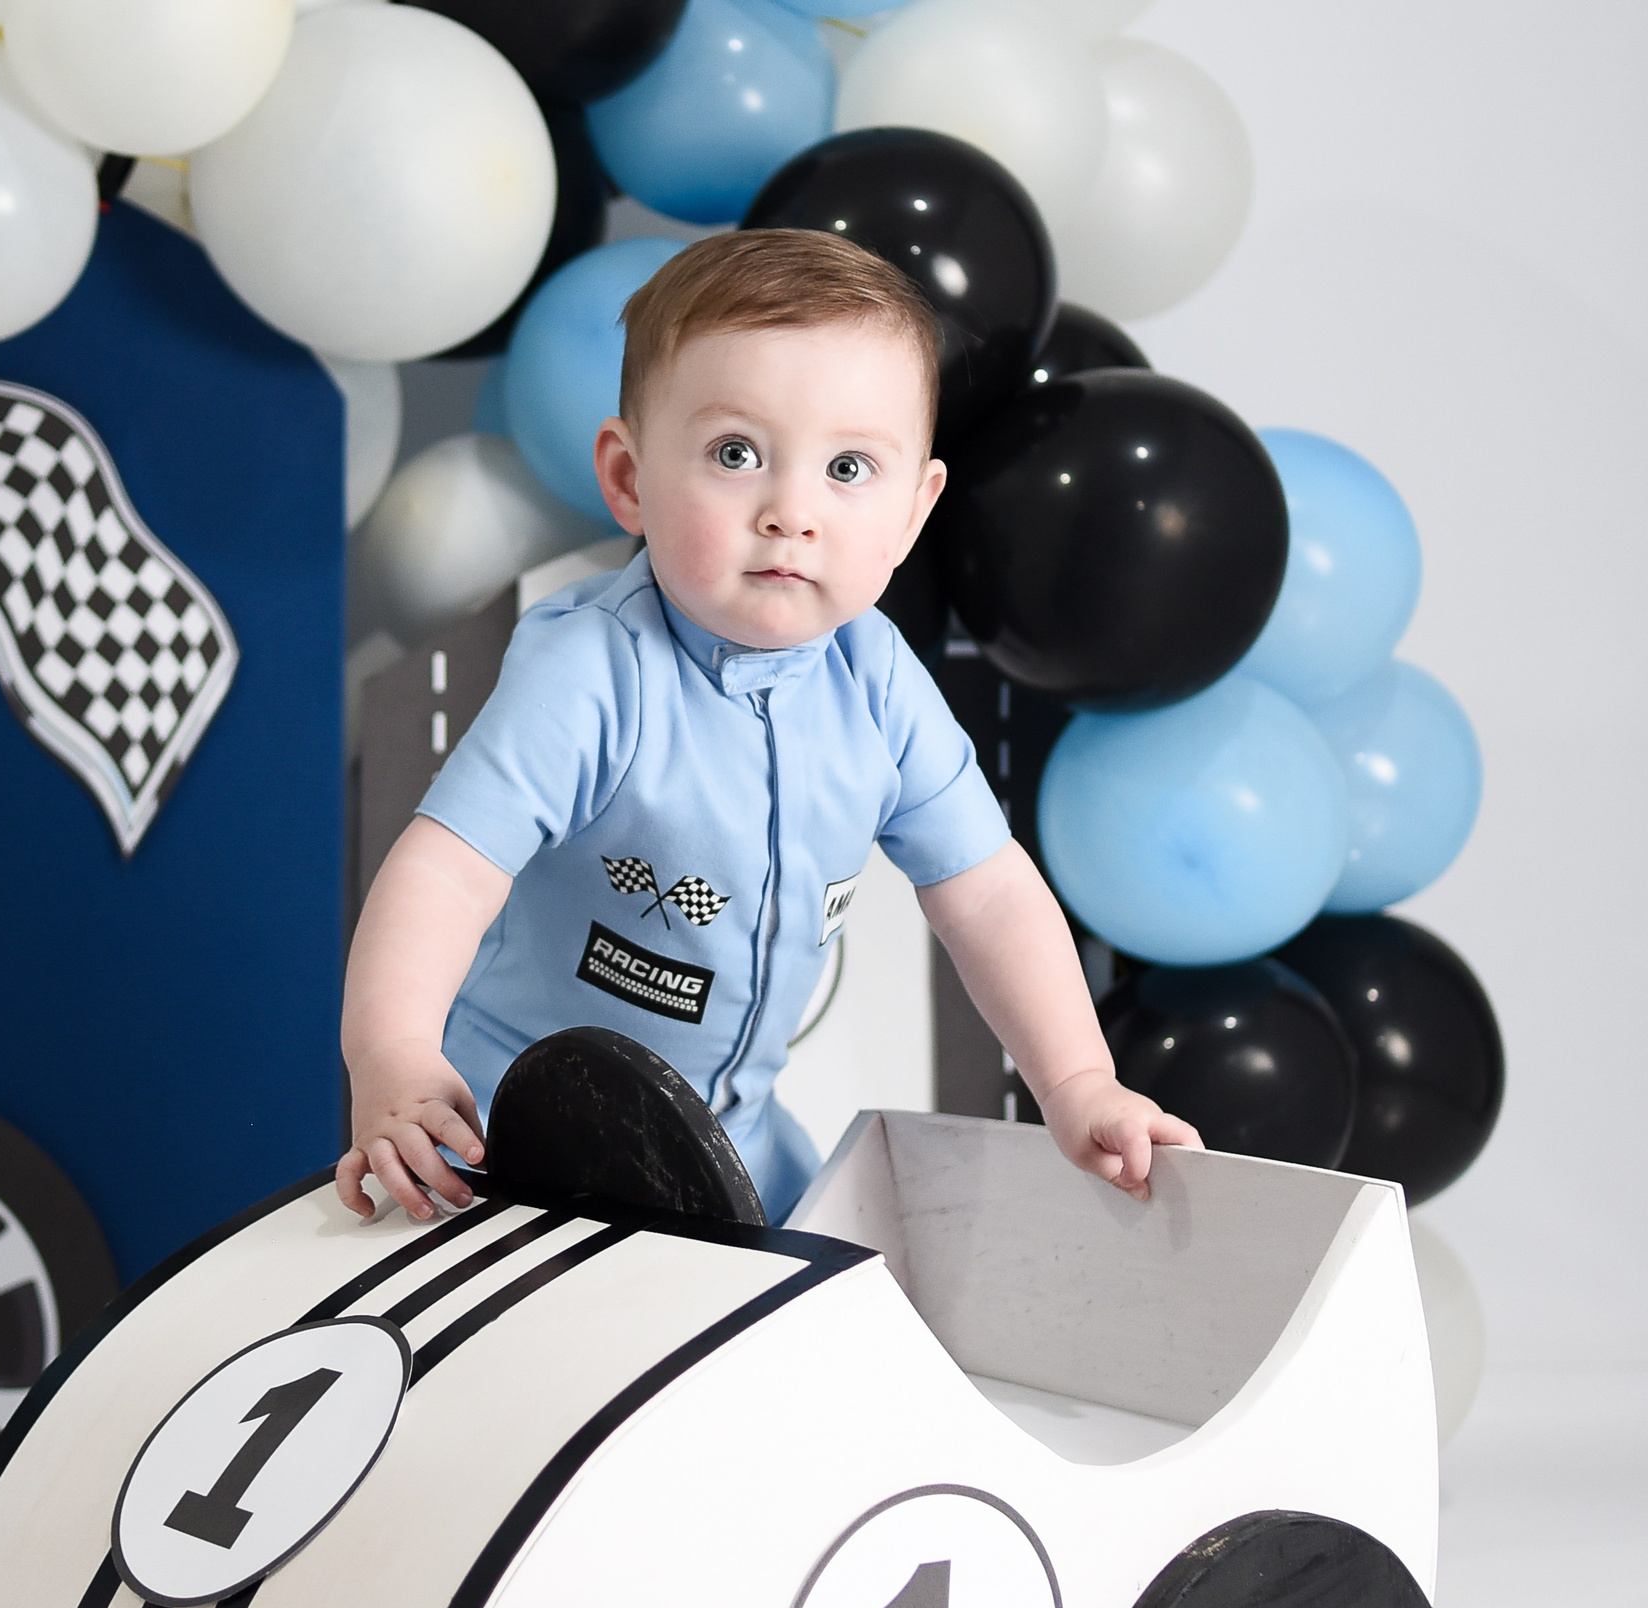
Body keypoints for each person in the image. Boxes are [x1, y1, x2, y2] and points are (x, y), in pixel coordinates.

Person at [337, 228, 1199, 1223]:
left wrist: (1076, 1081)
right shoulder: (592, 673)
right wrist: (395, 1051)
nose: (790, 511)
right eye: (736, 453)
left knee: (840, 1292)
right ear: (627, 478)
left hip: (728, 1135)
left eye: (847, 468)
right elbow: (447, 867)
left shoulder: (872, 678)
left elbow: (989, 892)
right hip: (511, 1127)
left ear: (915, 512)